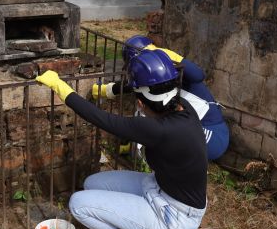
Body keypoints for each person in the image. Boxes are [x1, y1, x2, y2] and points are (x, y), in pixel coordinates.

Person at [36, 49, 208, 229]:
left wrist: (59, 86)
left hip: (176, 216)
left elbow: (102, 119)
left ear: (140, 103)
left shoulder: (158, 129)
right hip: (159, 187)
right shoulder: (183, 107)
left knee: (78, 204)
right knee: (92, 183)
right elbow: (138, 87)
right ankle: (145, 228)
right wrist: (107, 91)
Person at [93, 35, 230, 161]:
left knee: (146, 116)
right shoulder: (160, 75)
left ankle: (141, 159)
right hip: (194, 128)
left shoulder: (172, 69)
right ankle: (136, 150)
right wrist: (106, 90)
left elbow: (198, 75)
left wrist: (165, 53)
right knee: (149, 111)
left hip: (212, 135)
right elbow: (132, 86)